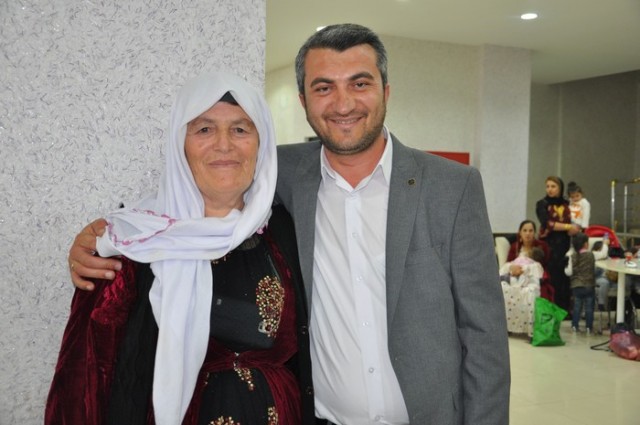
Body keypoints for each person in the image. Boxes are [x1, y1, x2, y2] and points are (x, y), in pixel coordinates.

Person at [66, 24, 511, 424]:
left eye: (360, 83)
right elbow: (193, 199)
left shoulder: (454, 187)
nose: (343, 103)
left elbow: (484, 337)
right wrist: (99, 238)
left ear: (386, 91)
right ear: (303, 102)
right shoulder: (282, 177)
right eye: (324, 87)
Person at [46, 73, 314, 425]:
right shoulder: (129, 246)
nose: (224, 145)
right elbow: (81, 384)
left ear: (261, 144)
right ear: (179, 144)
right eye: (204, 129)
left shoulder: (285, 232)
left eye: (240, 129)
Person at [536, 176, 579, 313]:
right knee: (552, 276)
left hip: (566, 244)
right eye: (547, 186)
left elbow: (577, 220)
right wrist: (568, 227)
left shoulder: (568, 204)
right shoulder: (542, 204)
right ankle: (551, 310)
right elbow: (548, 223)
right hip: (549, 245)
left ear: (560, 188)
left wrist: (575, 228)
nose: (550, 189)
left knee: (565, 277)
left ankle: (565, 310)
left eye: (553, 186)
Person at [565, 232, 609, 333]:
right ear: (586, 244)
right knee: (589, 308)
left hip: (576, 286)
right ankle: (589, 327)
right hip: (589, 286)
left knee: (577, 307)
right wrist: (605, 243)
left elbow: (569, 272)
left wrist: (566, 269)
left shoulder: (572, 256)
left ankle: (575, 326)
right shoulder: (591, 254)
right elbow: (603, 254)